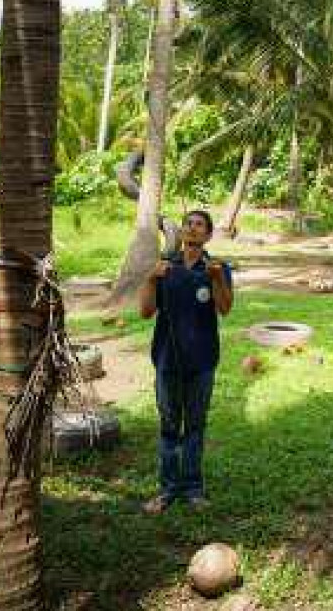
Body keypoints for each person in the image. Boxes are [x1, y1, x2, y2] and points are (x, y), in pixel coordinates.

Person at [139, 209, 233, 513]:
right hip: (167, 360)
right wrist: (151, 280)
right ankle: (167, 489)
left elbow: (225, 308)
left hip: (202, 360)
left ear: (207, 235)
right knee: (169, 427)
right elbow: (145, 311)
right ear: (181, 232)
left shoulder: (216, 268)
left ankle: (193, 489)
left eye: (199, 226)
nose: (192, 229)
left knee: (194, 426)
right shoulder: (166, 266)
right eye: (188, 224)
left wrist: (217, 280)